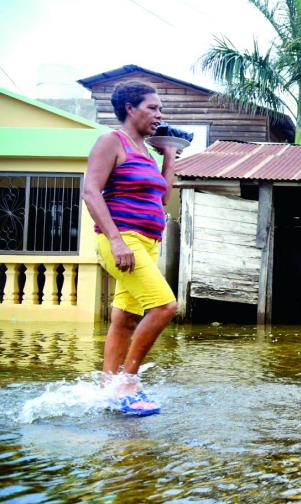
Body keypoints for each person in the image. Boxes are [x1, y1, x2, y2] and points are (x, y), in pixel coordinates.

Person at [83, 80, 179, 416]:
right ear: (130, 108)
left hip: (148, 242)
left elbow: (163, 197)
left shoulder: (147, 152)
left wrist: (168, 156)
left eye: (160, 109)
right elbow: (91, 192)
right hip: (124, 239)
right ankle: (127, 381)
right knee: (165, 307)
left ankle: (107, 389)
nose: (159, 114)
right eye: (152, 107)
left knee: (125, 317)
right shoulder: (112, 141)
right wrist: (116, 239)